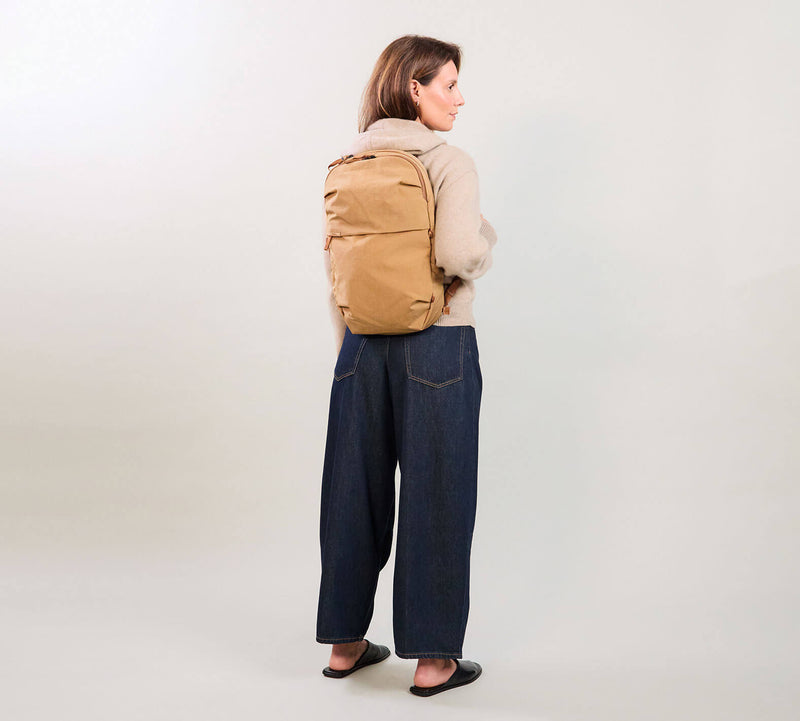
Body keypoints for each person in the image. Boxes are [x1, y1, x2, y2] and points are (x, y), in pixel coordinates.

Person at [316, 34, 498, 697]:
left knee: (352, 494)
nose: (458, 96)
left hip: (360, 347)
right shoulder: (449, 161)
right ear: (415, 88)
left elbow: (336, 264)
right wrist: (486, 241)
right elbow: (456, 252)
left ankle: (343, 644)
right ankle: (432, 660)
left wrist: (349, 349)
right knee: (438, 493)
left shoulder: (350, 161)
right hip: (437, 341)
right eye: (448, 83)